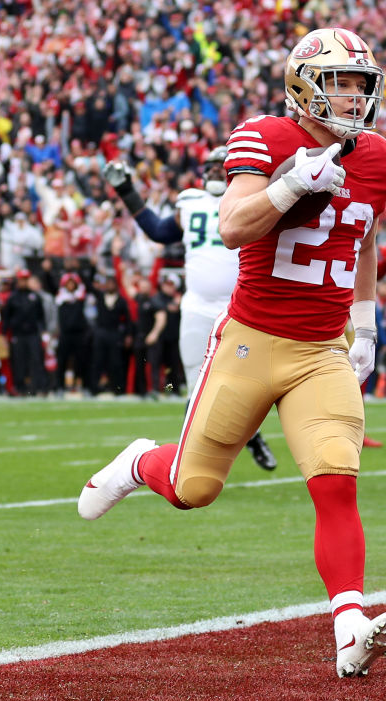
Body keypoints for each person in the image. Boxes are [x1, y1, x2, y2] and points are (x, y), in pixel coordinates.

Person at [78, 27, 386, 678]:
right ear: (304, 85)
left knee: (336, 484)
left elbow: (364, 236)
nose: (352, 96)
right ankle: (141, 463)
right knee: (193, 488)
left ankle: (349, 630)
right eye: (339, 82)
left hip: (322, 349)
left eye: (360, 84)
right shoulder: (267, 137)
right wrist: (291, 187)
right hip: (251, 342)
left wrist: (365, 325)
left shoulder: (379, 159)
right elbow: (231, 226)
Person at [102, 147, 277, 469]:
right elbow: (158, 231)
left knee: (244, 385)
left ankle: (252, 436)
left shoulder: (252, 201)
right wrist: (126, 190)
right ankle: (189, 462)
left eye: (220, 168)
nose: (213, 173)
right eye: (209, 167)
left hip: (241, 307)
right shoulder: (190, 201)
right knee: (197, 386)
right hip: (197, 306)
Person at [2, 268, 47, 396]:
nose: (23, 282)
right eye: (21, 280)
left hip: (32, 333)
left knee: (36, 360)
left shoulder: (34, 296)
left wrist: (43, 332)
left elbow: (40, 316)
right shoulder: (12, 297)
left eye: (25, 280)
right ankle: (20, 388)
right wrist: (4, 335)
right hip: (18, 334)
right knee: (18, 362)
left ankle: (37, 388)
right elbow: (6, 318)